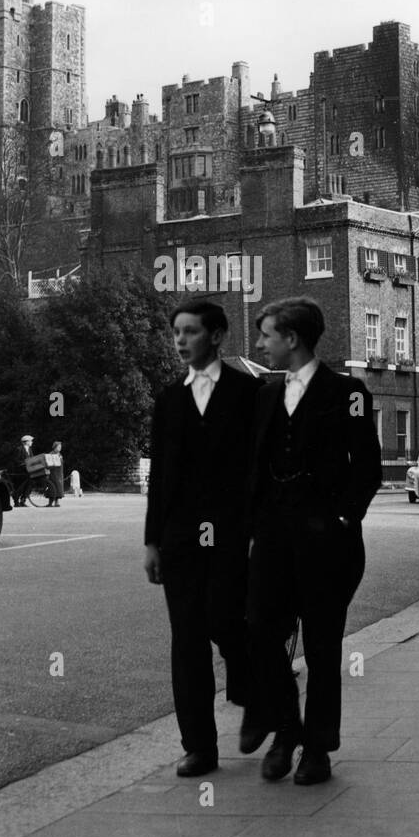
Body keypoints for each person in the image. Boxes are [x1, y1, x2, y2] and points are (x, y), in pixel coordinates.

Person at [246, 296, 381, 786]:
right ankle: (287, 729)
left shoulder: (348, 391)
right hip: (274, 542)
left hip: (328, 544)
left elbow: (365, 466)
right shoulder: (264, 395)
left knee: (323, 649)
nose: (259, 343)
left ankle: (317, 751)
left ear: (292, 339)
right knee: (260, 632)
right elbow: (254, 470)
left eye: (266, 335)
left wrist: (345, 518)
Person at [144, 300, 263, 778]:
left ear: (216, 335)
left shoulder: (249, 393)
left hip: (232, 533)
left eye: (190, 332)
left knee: (226, 620)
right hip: (178, 538)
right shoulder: (169, 400)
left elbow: (258, 469)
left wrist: (257, 532)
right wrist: (152, 541)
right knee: (187, 639)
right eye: (176, 332)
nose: (179, 340)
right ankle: (199, 746)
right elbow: (161, 479)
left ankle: (255, 690)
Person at [12, 434, 35, 506]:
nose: (32, 442)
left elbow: (32, 459)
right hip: (20, 472)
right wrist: (24, 464)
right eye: (30, 441)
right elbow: (16, 460)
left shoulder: (30, 450)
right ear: (26, 442)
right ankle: (16, 501)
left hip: (28, 471)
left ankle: (23, 500)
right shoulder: (19, 449)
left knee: (29, 485)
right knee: (20, 487)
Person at [45, 441, 64, 507]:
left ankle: (56, 502)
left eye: (60, 447)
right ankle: (50, 502)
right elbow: (48, 464)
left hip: (59, 474)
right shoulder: (51, 454)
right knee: (52, 488)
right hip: (52, 474)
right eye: (59, 447)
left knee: (58, 488)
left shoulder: (60, 454)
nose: (60, 448)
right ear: (55, 447)